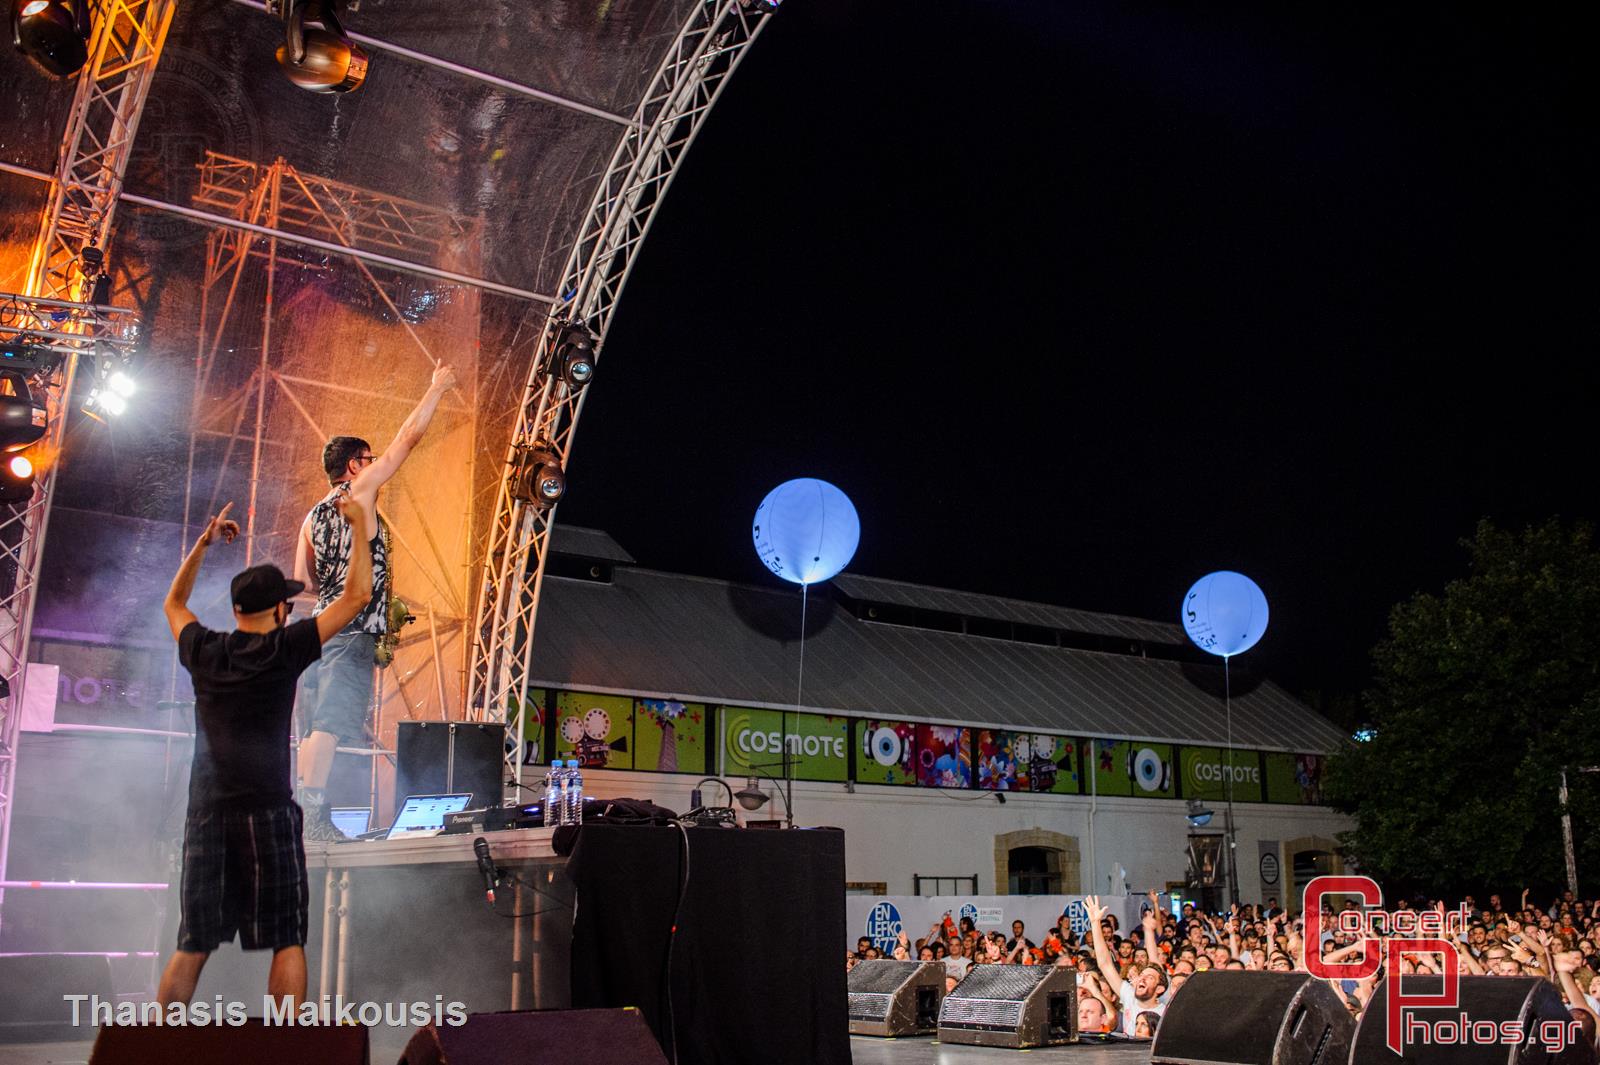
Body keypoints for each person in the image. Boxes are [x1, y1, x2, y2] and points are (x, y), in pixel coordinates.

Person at [157, 497, 372, 1012]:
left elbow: (173, 604)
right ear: (279, 610)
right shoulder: (286, 647)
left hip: (207, 814)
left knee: (193, 942)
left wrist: (203, 545)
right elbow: (358, 595)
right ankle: (284, 1046)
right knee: (287, 940)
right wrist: (359, 524)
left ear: (236, 611)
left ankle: (156, 1045)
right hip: (269, 814)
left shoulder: (205, 650)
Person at [294, 364, 457, 840]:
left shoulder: (310, 517)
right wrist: (435, 388)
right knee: (329, 725)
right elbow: (408, 439)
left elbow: (301, 580)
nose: (375, 464)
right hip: (350, 630)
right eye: (368, 458)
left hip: (320, 630)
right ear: (353, 466)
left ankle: (303, 816)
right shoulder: (360, 490)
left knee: (314, 728)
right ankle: (310, 819)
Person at [1086, 894, 1168, 1036]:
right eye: (1142, 975)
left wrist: (1149, 932)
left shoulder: (1166, 1013)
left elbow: (1154, 958)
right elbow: (1105, 964)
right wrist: (1095, 923)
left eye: (1149, 977)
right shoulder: (1129, 996)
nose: (1142, 978)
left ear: (1159, 989)